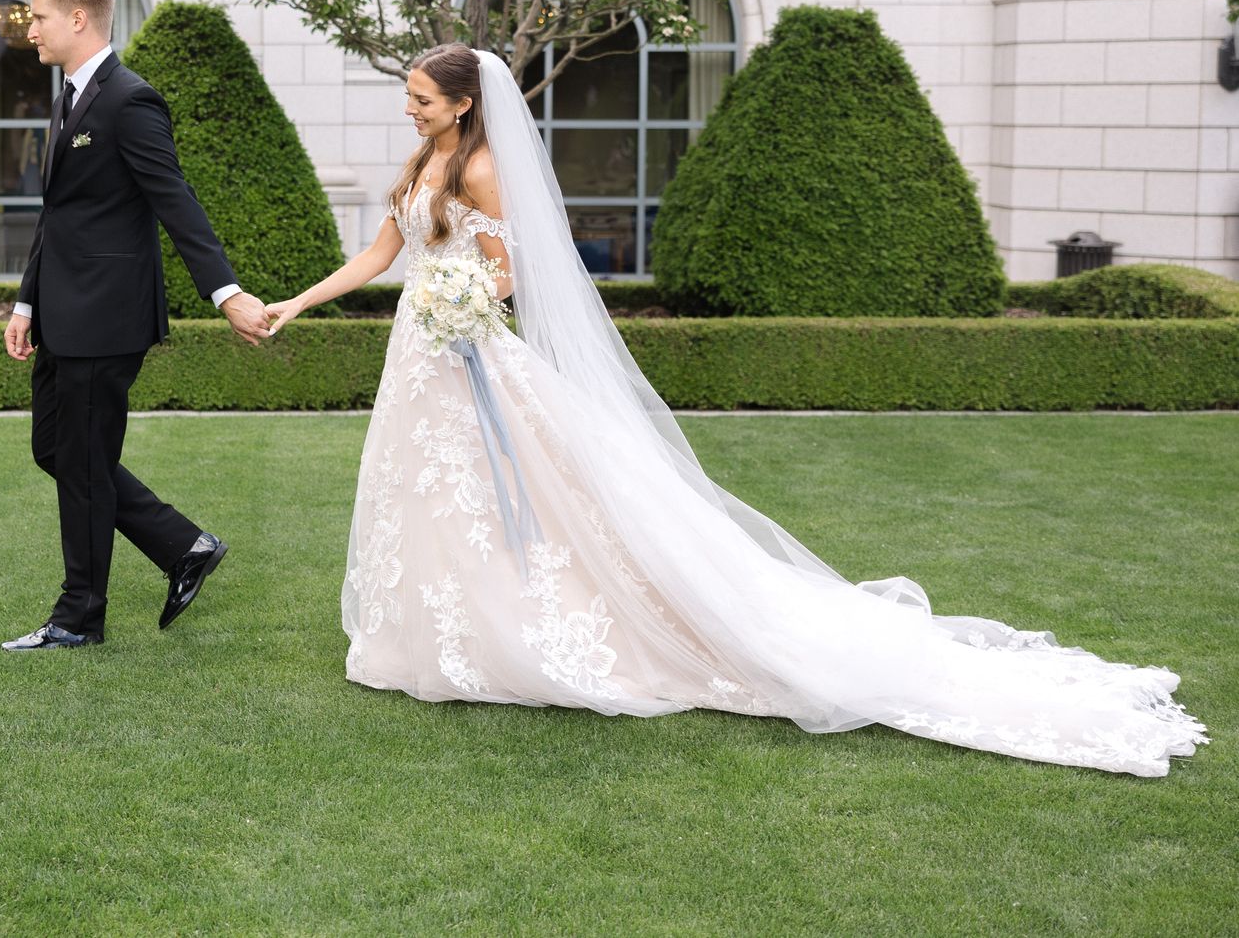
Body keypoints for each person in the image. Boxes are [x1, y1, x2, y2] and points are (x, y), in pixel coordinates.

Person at [262, 43, 1208, 776]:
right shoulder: (424, 155)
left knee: (520, 495)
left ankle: (526, 634)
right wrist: (297, 302)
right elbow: (382, 253)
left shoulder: (478, 169)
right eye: (410, 99)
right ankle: (435, 633)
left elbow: (510, 269)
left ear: (462, 102)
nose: (410, 108)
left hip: (467, 351)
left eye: (421, 99)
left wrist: (462, 304)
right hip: (420, 353)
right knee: (428, 495)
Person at [0, 0, 272, 652]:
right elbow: (58, 214)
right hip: (61, 312)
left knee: (83, 461)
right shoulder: (67, 96)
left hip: (106, 317)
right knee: (55, 450)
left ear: (78, 16)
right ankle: (185, 545)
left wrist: (227, 292)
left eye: (38, 16)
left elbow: (173, 200)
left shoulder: (130, 99)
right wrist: (26, 303)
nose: (29, 28)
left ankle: (77, 616)